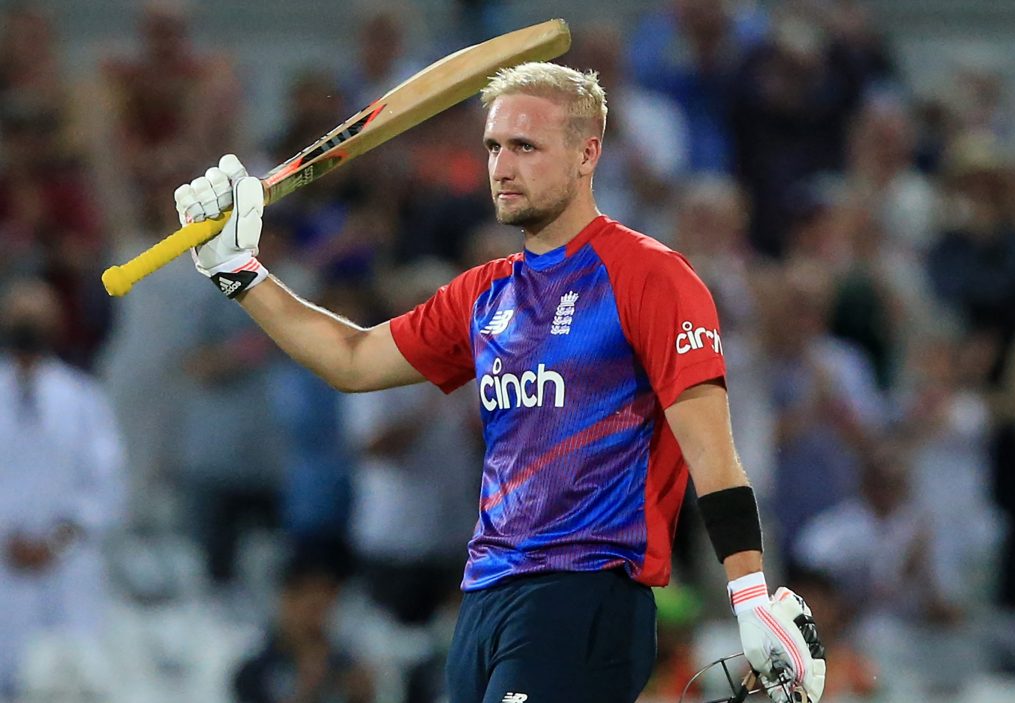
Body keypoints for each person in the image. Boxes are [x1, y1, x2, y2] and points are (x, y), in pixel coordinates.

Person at [172, 62, 825, 703]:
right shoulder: (483, 293)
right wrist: (240, 272)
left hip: (586, 590)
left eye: (525, 146)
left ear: (587, 154)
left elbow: (712, 451)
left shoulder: (650, 276)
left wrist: (749, 596)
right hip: (485, 596)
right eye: (493, 147)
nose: (502, 167)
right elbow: (352, 359)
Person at [0, 278, 125, 697]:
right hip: (4, 564)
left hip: (64, 569)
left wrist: (57, 541)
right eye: (20, 317)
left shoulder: (84, 399)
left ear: (54, 325)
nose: (27, 326)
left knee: (62, 683)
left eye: (36, 318)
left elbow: (106, 483)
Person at [233, 547, 375, 703]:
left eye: (324, 605)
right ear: (286, 601)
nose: (316, 617)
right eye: (310, 606)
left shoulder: (344, 664)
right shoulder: (255, 673)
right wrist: (305, 691)